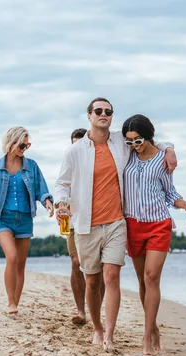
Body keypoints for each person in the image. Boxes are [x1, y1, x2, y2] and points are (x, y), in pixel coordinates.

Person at [54, 97, 177, 351]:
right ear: (89, 116)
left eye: (108, 111)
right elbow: (62, 183)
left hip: (116, 223)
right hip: (86, 224)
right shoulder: (74, 151)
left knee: (112, 277)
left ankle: (109, 335)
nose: (103, 114)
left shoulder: (121, 143)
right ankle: (97, 329)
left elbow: (150, 142)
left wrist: (170, 148)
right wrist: (61, 203)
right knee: (92, 282)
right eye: (98, 111)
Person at [122, 114, 186, 355]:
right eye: (129, 142)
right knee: (141, 281)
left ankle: (146, 335)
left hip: (159, 223)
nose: (134, 146)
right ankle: (153, 326)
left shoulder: (162, 160)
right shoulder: (125, 157)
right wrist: (170, 146)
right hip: (132, 224)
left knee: (151, 277)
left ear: (148, 138)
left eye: (138, 141)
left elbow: (170, 193)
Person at [0, 127, 54, 314]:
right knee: (12, 257)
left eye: (27, 144)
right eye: (23, 144)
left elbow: (41, 189)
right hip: (3, 219)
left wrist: (47, 202)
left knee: (21, 263)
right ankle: (10, 302)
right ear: (11, 143)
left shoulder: (32, 166)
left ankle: (16, 301)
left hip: (24, 219)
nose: (25, 148)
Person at [67, 128, 104, 325]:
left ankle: (96, 309)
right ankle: (81, 311)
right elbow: (61, 187)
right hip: (74, 223)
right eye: (75, 143)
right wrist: (59, 206)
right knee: (75, 263)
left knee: (100, 268)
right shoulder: (69, 162)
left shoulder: (98, 162)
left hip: (99, 221)